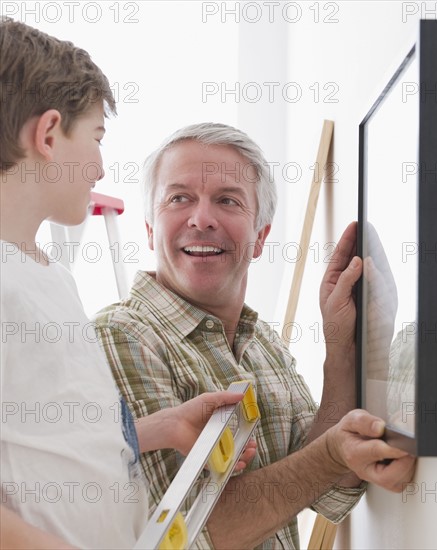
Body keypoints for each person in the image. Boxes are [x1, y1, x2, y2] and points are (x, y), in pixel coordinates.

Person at [94, 123, 417, 548]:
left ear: (260, 236)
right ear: (151, 228)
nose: (201, 218)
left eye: (227, 200)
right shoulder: (120, 338)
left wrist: (341, 348)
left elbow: (329, 484)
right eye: (179, 198)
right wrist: (331, 453)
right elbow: (190, 537)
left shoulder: (262, 343)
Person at [0, 18, 254, 549]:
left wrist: (161, 428)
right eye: (95, 138)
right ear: (48, 134)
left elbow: (54, 446)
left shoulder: (50, 276)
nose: (98, 166)